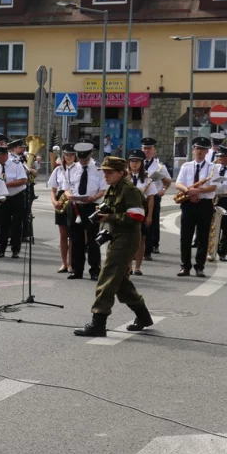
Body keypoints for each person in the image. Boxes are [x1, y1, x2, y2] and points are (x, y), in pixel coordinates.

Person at [73, 156, 154, 338]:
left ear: (121, 173)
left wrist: (108, 218)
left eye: (109, 172)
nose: (105, 175)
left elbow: (137, 217)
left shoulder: (130, 191)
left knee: (107, 276)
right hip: (116, 236)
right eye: (104, 172)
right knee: (120, 282)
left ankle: (98, 323)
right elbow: (111, 208)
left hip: (127, 238)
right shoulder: (113, 189)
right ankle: (143, 317)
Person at [175, 137, 216, 278]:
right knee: (185, 237)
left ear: (206, 151)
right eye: (197, 148)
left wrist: (198, 191)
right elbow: (178, 183)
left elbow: (213, 186)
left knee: (203, 237)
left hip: (205, 204)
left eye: (202, 149)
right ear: (193, 150)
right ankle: (185, 266)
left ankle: (200, 267)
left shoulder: (212, 167)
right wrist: (188, 192)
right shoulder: (186, 166)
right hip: (187, 203)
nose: (199, 151)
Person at [66, 142, 107, 281]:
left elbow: (103, 189)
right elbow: (66, 187)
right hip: (75, 206)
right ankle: (77, 270)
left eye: (85, 159)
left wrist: (94, 197)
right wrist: (68, 196)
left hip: (91, 206)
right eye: (80, 159)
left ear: (91, 155)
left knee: (93, 240)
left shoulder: (99, 168)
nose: (82, 162)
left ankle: (94, 270)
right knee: (75, 239)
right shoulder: (71, 168)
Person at [126, 149, 157, 276]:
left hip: (141, 210)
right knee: (127, 240)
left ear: (141, 163)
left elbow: (151, 198)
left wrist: (149, 215)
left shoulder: (146, 179)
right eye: (132, 161)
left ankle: (137, 267)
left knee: (141, 239)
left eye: (137, 161)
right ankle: (128, 266)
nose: (134, 163)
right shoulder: (124, 177)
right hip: (127, 210)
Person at [140, 137, 172, 260]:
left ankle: (152, 245)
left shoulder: (159, 166)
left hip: (154, 196)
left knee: (152, 220)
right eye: (145, 148)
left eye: (149, 148)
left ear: (154, 150)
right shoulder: (136, 162)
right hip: (139, 196)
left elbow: (168, 181)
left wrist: (163, 189)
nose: (147, 151)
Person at [0, 140, 27, 259]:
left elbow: (23, 180)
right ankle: (1, 249)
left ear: (5, 155)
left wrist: (7, 184)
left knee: (16, 224)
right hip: (2, 198)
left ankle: (15, 249)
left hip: (16, 196)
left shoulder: (16, 163)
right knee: (2, 225)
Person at [48, 143, 76, 273]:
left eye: (71, 154)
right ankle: (64, 263)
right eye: (66, 155)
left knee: (72, 234)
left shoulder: (78, 168)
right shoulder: (58, 170)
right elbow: (53, 189)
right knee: (63, 234)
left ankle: (71, 263)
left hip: (73, 199)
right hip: (61, 199)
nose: (68, 157)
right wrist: (54, 202)